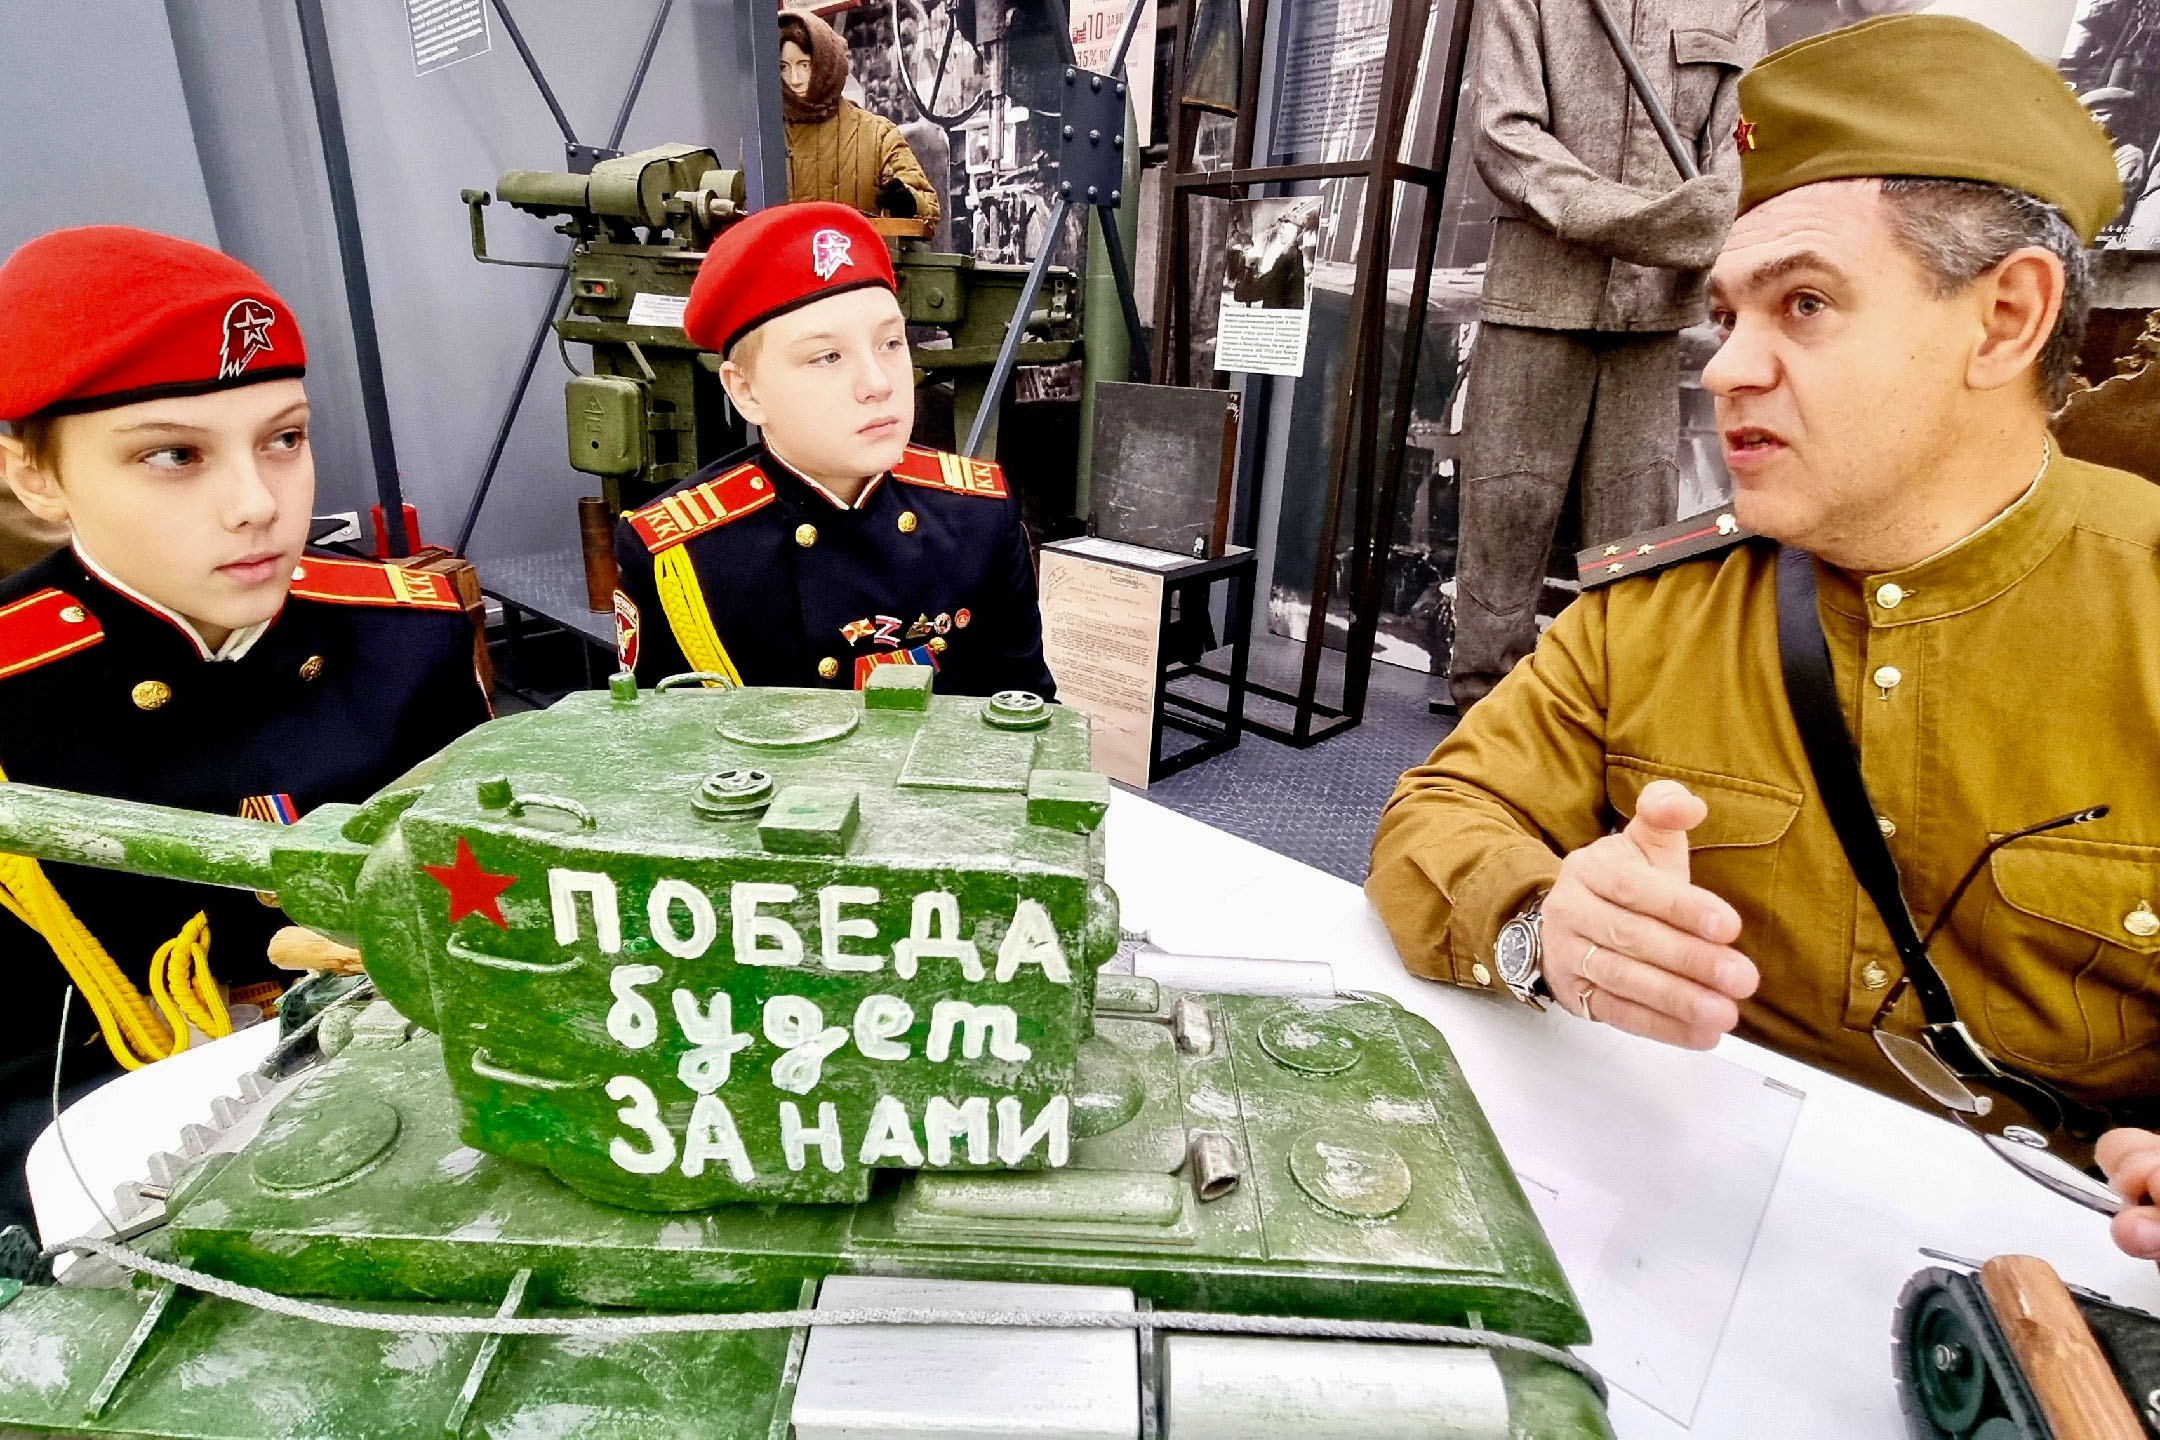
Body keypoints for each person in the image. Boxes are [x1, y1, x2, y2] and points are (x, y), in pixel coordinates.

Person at [1365, 16, 2160, 1254]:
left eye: (1804, 304)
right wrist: (1540, 926)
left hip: (2062, 1263)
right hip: (1670, 1219)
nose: (1727, 367)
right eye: (1729, 314)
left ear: (2005, 318)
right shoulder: (1653, 609)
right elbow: (1441, 814)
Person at [0, 226, 493, 1239]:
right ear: (36, 476)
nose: (258, 505)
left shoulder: (408, 635)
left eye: (285, 439)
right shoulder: (16, 700)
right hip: (123, 1165)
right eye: (172, 455)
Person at [1447, 0, 1764, 713]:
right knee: (1507, 511)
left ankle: (1617, 712)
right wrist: (1651, 225)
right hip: (1537, 294)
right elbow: (1503, 133)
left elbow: (1738, 151)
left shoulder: (1734, 4)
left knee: (1637, 528)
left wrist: (1698, 227)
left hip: (1651, 314)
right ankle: (1484, 714)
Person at [612, 201, 1054, 698]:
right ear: (746, 391)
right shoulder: (682, 556)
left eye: (891, 344)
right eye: (827, 356)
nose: (878, 383)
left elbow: (1026, 711)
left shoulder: (977, 515)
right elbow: (660, 737)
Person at [779, 9, 941, 226]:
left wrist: (909, 202)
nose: (794, 79)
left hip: (859, 249)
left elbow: (928, 208)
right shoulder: (763, 141)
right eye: (783, 67)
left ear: (825, 64)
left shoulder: (877, 136)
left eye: (804, 65)